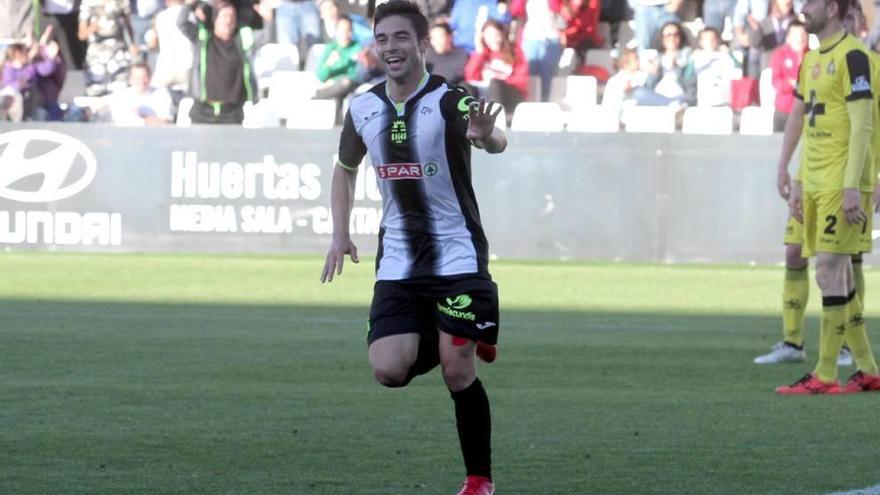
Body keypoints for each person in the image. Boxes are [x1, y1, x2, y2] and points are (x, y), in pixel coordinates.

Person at [320, 1, 507, 493]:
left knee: (455, 369)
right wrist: (340, 233)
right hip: (399, 261)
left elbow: (494, 136)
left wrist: (487, 138)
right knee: (387, 370)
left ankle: (479, 480)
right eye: (382, 39)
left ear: (422, 44)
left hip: (457, 254)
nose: (390, 47)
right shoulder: (361, 106)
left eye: (401, 38)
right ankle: (464, 327)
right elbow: (344, 170)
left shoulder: (449, 99)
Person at [774, 0, 880, 394]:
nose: (803, 6)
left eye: (812, 2)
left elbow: (863, 125)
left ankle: (825, 375)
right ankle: (868, 369)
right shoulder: (812, 58)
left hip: (841, 183)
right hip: (815, 180)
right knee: (838, 274)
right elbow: (804, 118)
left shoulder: (855, 57)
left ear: (833, 8)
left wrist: (855, 183)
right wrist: (796, 177)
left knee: (829, 272)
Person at [177, 0, 259, 124]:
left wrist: (268, 19)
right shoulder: (203, 39)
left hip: (232, 113)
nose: (228, 20)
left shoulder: (243, 41)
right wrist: (190, 5)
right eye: (225, 16)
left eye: (232, 17)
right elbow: (181, 23)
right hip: (203, 111)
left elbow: (264, 36)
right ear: (215, 19)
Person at [464, 19, 529, 122]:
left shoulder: (515, 51)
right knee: (465, 87)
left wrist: (499, 79)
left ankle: (494, 125)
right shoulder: (482, 53)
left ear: (503, 34)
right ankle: (468, 126)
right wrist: (479, 53)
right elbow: (470, 77)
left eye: (497, 35)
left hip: (510, 95)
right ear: (483, 37)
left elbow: (521, 80)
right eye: (489, 36)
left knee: (495, 84)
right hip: (485, 94)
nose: (494, 39)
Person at [78, 0, 138, 96]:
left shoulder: (122, 2)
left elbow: (129, 25)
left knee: (122, 90)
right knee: (96, 91)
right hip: (97, 57)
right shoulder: (87, 3)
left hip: (119, 55)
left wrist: (133, 44)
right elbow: (81, 35)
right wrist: (93, 28)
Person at [768, 21, 807, 131]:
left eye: (803, 34)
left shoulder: (813, 55)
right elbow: (776, 83)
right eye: (796, 35)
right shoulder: (779, 54)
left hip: (806, 111)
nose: (800, 38)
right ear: (788, 38)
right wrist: (791, 83)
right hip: (784, 110)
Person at [108, 62, 174, 125]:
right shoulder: (121, 96)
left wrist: (142, 118)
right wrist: (149, 120)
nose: (141, 81)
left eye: (144, 77)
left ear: (150, 78)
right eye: (137, 78)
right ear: (130, 79)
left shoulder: (161, 94)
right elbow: (122, 122)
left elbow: (165, 122)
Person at [426, 20, 470, 85]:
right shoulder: (426, 56)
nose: (437, 42)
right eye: (433, 38)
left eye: (441, 37)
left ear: (450, 37)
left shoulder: (462, 55)